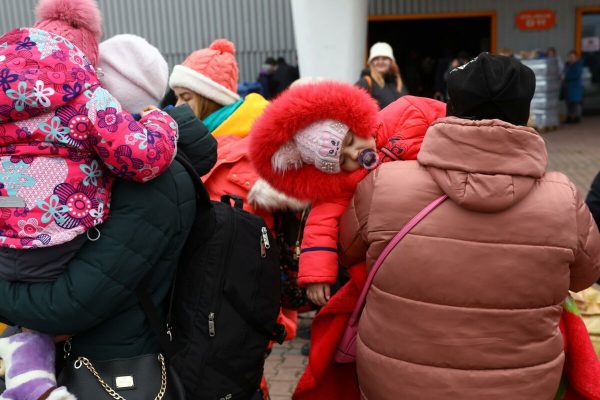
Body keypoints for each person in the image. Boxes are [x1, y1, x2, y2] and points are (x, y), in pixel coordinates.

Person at [337, 52, 600, 399]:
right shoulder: (563, 199)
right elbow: (585, 277)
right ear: (524, 115)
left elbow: (346, 250)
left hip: (397, 384)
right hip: (520, 387)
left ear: (450, 107)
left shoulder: (384, 184)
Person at [0, 0, 181, 396]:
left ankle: (26, 378)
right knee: (46, 318)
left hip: (6, 237)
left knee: (23, 318)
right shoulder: (87, 95)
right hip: (60, 239)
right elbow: (141, 158)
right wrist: (161, 119)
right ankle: (34, 386)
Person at [168, 38, 303, 399]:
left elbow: (280, 245)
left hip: (240, 314)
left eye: (185, 97)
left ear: (209, 98)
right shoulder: (186, 147)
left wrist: (272, 321)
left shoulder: (255, 154)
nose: (177, 107)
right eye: (176, 96)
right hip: (197, 311)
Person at [250, 82, 446, 306]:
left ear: (355, 123)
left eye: (351, 141)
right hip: (400, 244)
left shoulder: (405, 112)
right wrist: (317, 276)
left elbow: (455, 120)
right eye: (343, 160)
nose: (355, 153)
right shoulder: (341, 185)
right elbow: (320, 226)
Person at [356, 42, 405, 109]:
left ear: (391, 62)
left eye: (384, 58)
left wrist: (397, 76)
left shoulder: (392, 82)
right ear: (371, 62)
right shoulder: (364, 82)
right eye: (376, 58)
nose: (380, 61)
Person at [564, 50, 584, 123]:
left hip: (575, 87)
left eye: (572, 57)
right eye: (570, 57)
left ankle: (576, 117)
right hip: (569, 87)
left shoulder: (578, 65)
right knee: (569, 104)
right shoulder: (567, 65)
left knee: (576, 103)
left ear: (576, 57)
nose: (571, 58)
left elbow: (576, 75)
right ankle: (570, 117)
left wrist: (566, 77)